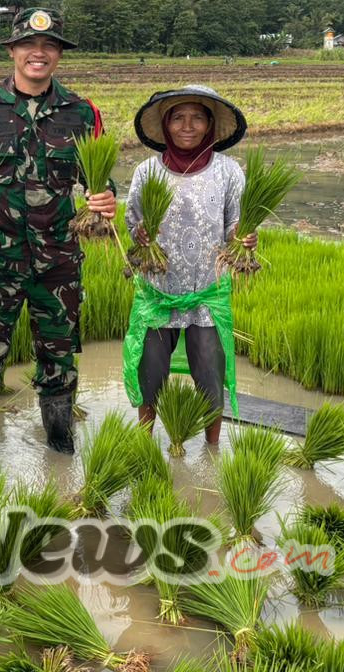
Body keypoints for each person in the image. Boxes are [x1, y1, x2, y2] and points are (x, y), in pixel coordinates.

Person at [0, 7, 116, 462]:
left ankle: (61, 461)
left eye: (49, 46)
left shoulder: (82, 112)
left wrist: (106, 199)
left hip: (58, 262)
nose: (38, 53)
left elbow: (99, 180)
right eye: (29, 45)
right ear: (13, 50)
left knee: (60, 362)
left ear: (58, 54)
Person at [121, 85, 254, 445]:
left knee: (210, 372)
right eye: (178, 117)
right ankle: (144, 441)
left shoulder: (227, 172)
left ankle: (212, 448)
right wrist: (140, 234)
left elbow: (235, 224)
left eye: (197, 117)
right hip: (158, 292)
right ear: (165, 124)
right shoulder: (147, 171)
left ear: (210, 124)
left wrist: (243, 239)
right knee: (150, 371)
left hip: (206, 293)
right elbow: (132, 223)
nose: (187, 126)